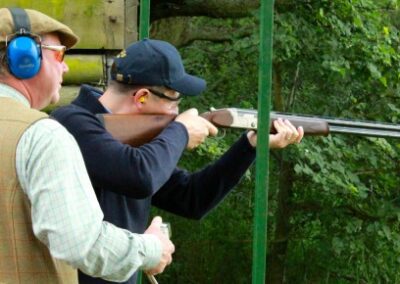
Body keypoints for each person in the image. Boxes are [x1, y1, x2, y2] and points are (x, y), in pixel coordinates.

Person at [52, 39, 304, 284]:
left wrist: (249, 146)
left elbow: (192, 198)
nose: (176, 112)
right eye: (175, 100)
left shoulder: (132, 144)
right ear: (141, 97)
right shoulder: (72, 123)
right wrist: (181, 131)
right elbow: (139, 176)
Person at [0, 8, 174, 284]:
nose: (65, 66)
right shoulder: (41, 135)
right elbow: (83, 244)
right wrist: (152, 248)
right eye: (58, 54)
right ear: (24, 58)